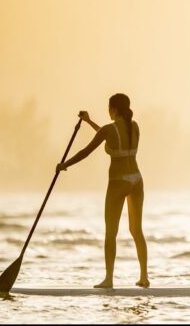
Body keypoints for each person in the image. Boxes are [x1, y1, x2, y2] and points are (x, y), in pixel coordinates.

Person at [56, 93, 149, 289]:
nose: (108, 111)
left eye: (109, 108)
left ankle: (109, 279)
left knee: (110, 233)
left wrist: (65, 164)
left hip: (118, 182)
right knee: (136, 230)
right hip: (137, 181)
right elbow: (108, 137)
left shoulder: (110, 130)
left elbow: (86, 151)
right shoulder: (135, 126)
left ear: (114, 109)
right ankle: (144, 277)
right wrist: (89, 121)